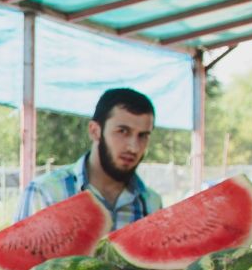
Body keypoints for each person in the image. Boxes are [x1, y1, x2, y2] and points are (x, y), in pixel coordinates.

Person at [16, 87, 163, 230]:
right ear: (95, 131)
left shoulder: (152, 204)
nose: (133, 147)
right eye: (122, 131)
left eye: (143, 136)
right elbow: (18, 254)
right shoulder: (45, 193)